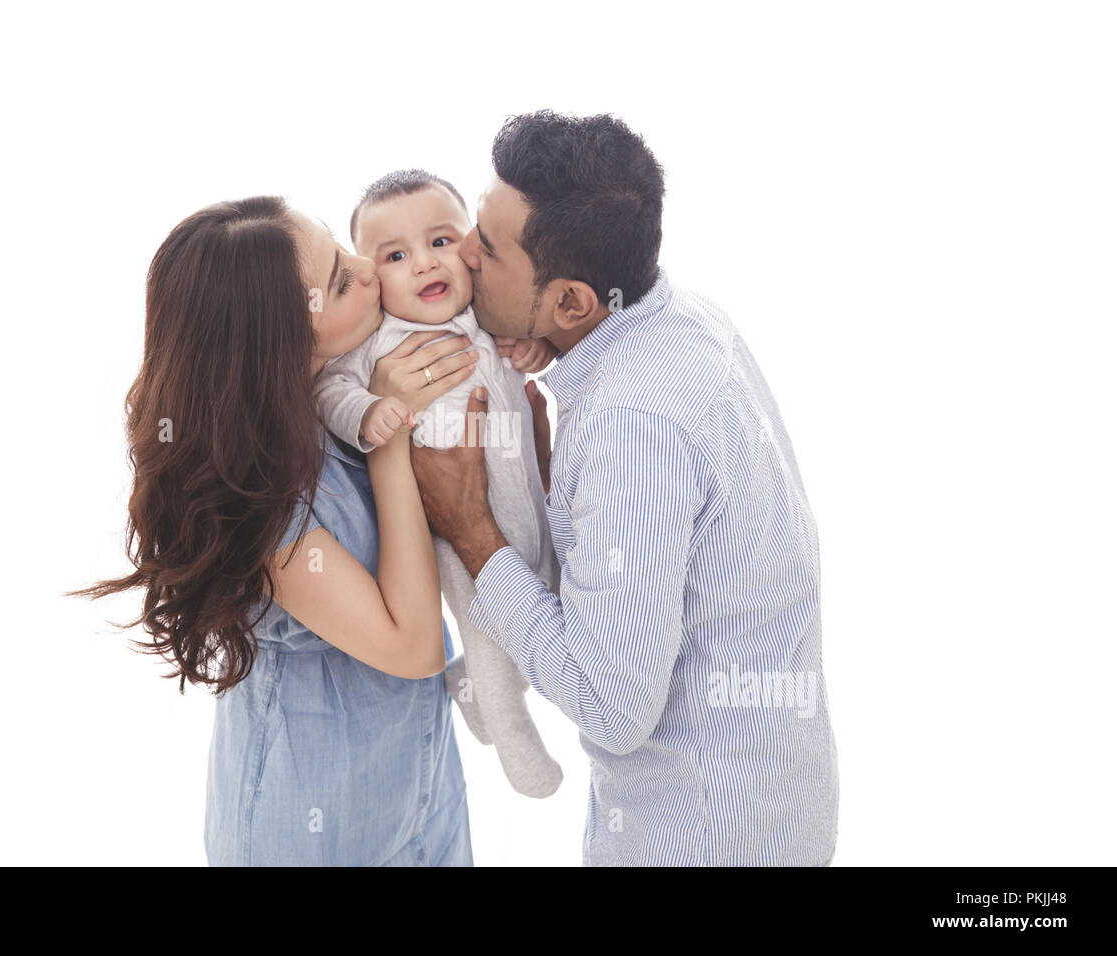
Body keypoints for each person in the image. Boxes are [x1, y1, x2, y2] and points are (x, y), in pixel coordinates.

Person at [409, 111, 840, 866]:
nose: (464, 253)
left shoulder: (631, 425)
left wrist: (472, 529)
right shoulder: (683, 321)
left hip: (696, 840)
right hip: (772, 807)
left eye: (490, 247)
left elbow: (613, 707)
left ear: (573, 302)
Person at [80, 195, 479, 865]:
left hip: (422, 793)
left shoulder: (334, 399)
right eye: (342, 279)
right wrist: (388, 436)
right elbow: (414, 648)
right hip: (310, 830)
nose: (370, 269)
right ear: (283, 338)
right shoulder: (261, 502)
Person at [313, 168, 564, 798]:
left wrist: (532, 348)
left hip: (528, 507)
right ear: (372, 280)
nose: (424, 263)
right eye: (395, 256)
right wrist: (371, 412)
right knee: (492, 635)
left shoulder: (486, 318)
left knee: (552, 615)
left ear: (472, 246)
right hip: (455, 532)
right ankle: (512, 735)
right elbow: (328, 393)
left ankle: (470, 689)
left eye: (441, 241)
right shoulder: (374, 346)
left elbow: (526, 354)